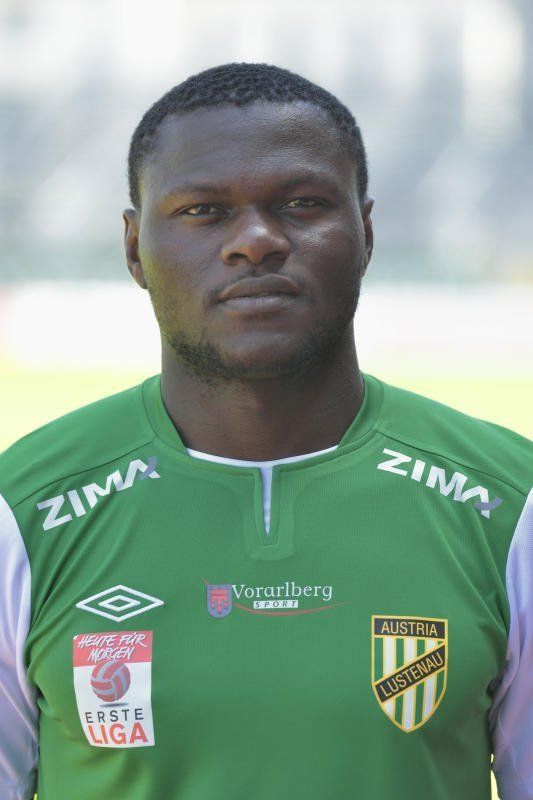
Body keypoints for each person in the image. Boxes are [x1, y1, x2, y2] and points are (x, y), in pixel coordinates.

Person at [0, 62, 531, 800]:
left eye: (302, 203)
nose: (255, 240)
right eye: (203, 210)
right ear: (133, 248)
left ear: (366, 232)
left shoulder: (509, 504)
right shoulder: (22, 510)